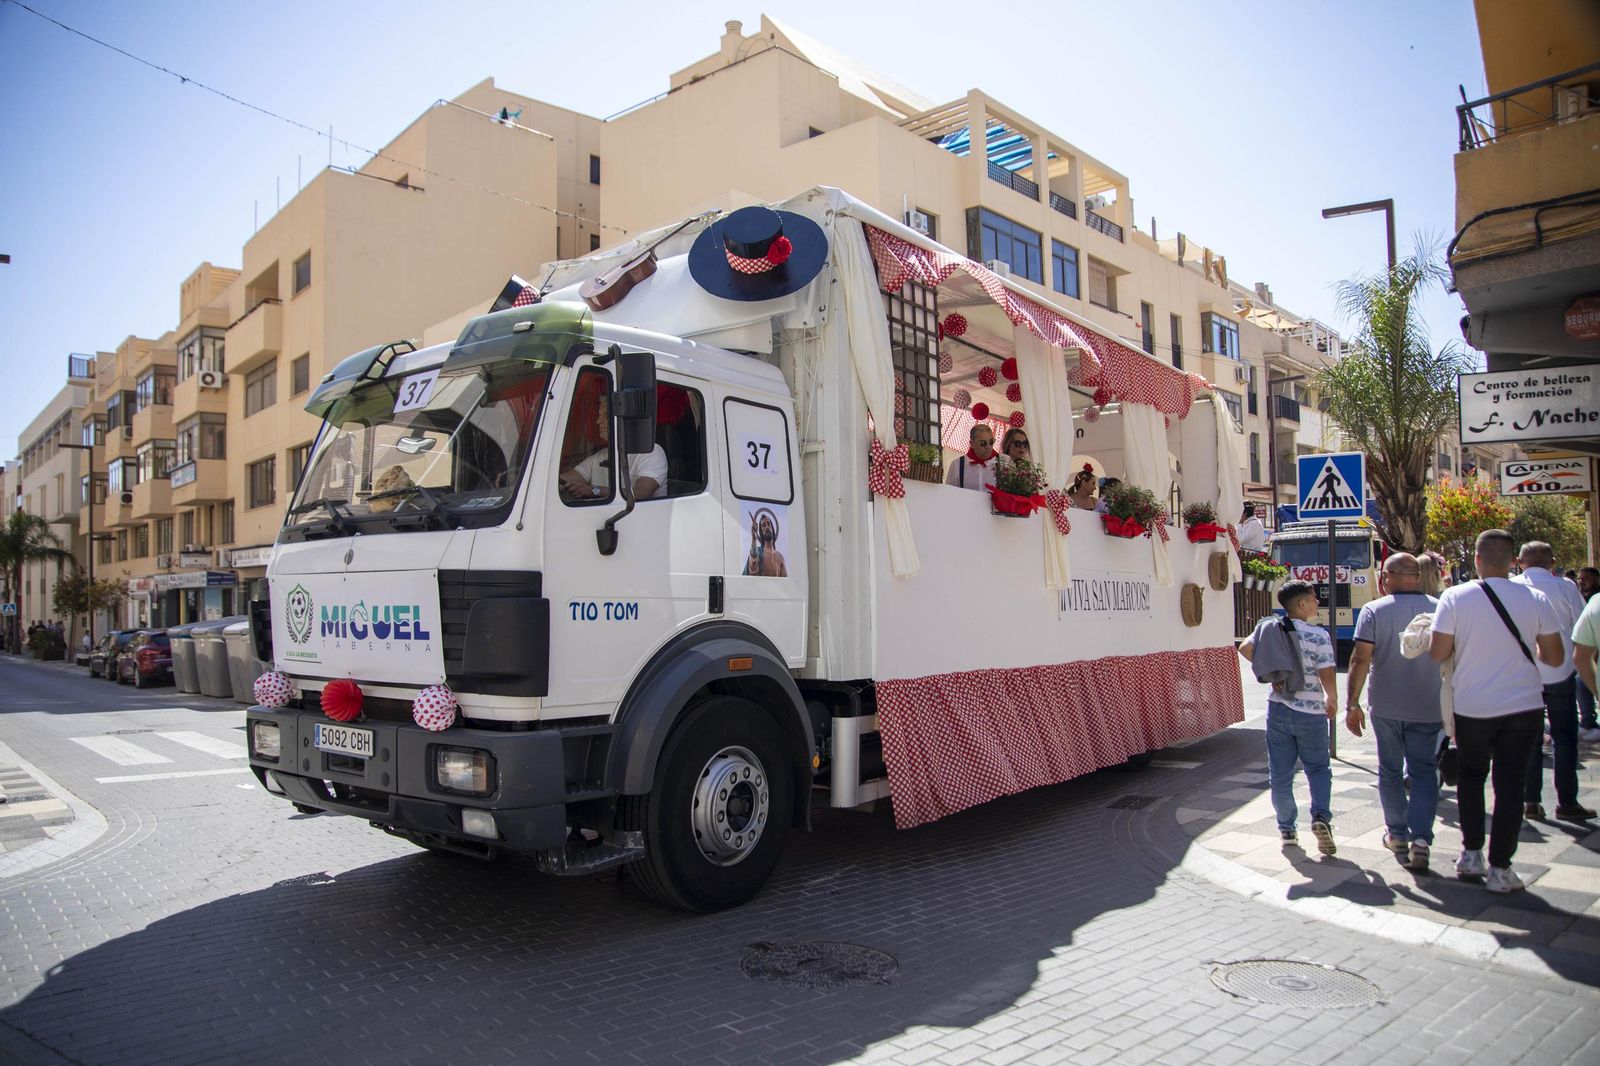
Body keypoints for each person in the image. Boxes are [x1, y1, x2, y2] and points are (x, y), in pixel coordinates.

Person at [1430, 529, 1565, 892]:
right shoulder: (1536, 598)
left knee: (1472, 778)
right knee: (1511, 786)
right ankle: (1500, 869)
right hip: (1523, 706)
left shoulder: (1454, 597)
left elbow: (1437, 653)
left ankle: (1470, 854)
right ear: (1514, 563)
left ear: (1476, 559)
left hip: (1471, 706)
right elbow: (1553, 657)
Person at [1346, 554, 1443, 869]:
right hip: (1430, 706)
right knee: (1424, 772)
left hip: (1386, 706)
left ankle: (1397, 834)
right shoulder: (1440, 608)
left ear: (1386, 577)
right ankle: (1422, 839)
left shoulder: (1374, 610)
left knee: (1389, 771)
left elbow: (1360, 659)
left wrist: (1352, 703)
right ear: (1416, 576)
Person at [1239, 579, 1339, 855]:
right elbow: (1326, 670)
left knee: (1280, 775)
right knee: (1318, 768)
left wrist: (1273, 674)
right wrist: (1333, 697)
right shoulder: (1319, 635)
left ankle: (1287, 830)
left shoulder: (1270, 627)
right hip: (1311, 712)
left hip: (1279, 709)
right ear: (1302, 604)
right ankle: (1320, 818)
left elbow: (1245, 648)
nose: (1317, 602)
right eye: (1313, 598)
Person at [1514, 541, 1593, 821]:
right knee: (1565, 738)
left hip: (1524, 676)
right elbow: (1582, 626)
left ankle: (1530, 801)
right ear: (1552, 562)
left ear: (1519, 561)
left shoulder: (1513, 587)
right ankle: (1567, 801)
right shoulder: (1566, 587)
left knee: (1530, 739)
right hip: (1560, 673)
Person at [560, 392, 667, 501]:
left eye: (605, 416)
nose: (598, 422)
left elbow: (641, 493)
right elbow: (564, 479)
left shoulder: (652, 452)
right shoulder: (601, 456)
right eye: (599, 416)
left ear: (625, 421)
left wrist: (593, 490)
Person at [1577, 566, 1600, 741]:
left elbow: (1581, 658)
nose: (1581, 582)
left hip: (1590, 654)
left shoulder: (1595, 602)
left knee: (1580, 681)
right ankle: (1588, 721)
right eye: (1580, 578)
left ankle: (1588, 722)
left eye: (1586, 578)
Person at [945, 425, 998, 492]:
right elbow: (950, 493)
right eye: (983, 443)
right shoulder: (957, 465)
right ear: (972, 444)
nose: (988, 446)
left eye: (991, 442)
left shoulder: (1004, 462)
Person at [743, 508, 787, 577]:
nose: (767, 527)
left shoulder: (780, 557)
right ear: (761, 531)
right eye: (763, 525)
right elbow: (753, 567)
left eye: (768, 524)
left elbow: (785, 583)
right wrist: (754, 539)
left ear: (772, 527)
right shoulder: (758, 552)